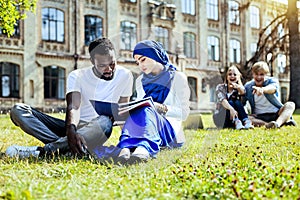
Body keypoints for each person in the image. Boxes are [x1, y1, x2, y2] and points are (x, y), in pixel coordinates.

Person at [6, 38, 133, 158]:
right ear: (92, 61)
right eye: (102, 66)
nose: (109, 69)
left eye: (112, 64)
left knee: (105, 122)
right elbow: (74, 107)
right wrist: (71, 131)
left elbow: (121, 113)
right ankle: (69, 147)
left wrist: (129, 143)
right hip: (71, 127)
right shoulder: (77, 76)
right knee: (18, 110)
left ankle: (44, 152)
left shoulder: (125, 75)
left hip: (96, 130)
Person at [115, 40, 190, 163]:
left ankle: (136, 147)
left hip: (170, 131)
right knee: (141, 109)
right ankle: (130, 147)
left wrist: (160, 107)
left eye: (143, 59)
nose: (140, 65)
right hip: (146, 126)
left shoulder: (178, 77)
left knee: (146, 108)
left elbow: (184, 113)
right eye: (137, 62)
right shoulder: (140, 81)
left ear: (155, 55)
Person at [244, 61, 296, 129]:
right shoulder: (248, 86)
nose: (259, 77)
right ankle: (269, 125)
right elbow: (243, 102)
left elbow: (273, 88)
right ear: (252, 74)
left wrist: (263, 90)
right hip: (259, 116)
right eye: (256, 74)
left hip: (276, 113)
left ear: (266, 75)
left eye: (262, 74)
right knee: (246, 118)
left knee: (290, 104)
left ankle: (277, 124)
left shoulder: (272, 81)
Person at [213, 65, 253, 130]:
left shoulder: (240, 89)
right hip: (221, 117)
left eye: (235, 74)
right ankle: (236, 121)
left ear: (238, 77)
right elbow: (223, 101)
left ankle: (245, 121)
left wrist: (238, 87)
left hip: (236, 116)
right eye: (230, 74)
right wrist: (231, 109)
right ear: (227, 77)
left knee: (236, 101)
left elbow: (243, 92)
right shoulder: (220, 87)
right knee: (230, 102)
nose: (232, 76)